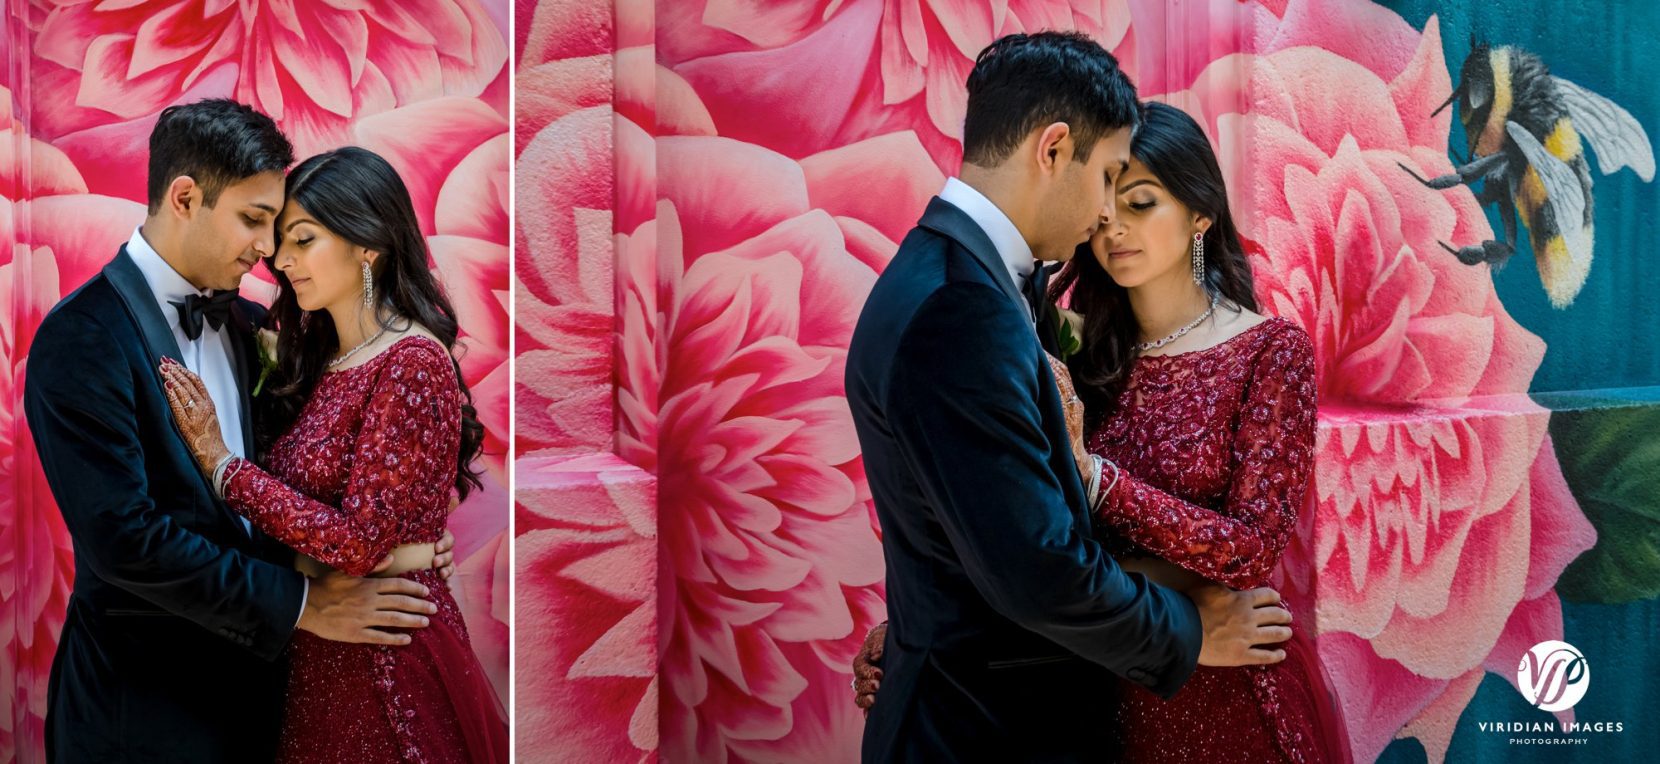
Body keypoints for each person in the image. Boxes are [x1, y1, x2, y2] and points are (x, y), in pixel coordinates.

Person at [844, 32, 1294, 763]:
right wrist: (1189, 630)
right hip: (982, 731)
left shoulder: (976, 282)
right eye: (1110, 173)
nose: (1108, 211)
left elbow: (982, 523)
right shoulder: (959, 307)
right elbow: (1037, 569)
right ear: (1053, 151)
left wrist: (926, 612)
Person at [26, 99, 452, 763]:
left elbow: (317, 478)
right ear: (186, 197)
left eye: (277, 226)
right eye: (254, 220)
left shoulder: (251, 328)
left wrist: (406, 542)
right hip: (142, 715)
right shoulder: (80, 337)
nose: (267, 251)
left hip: (267, 710)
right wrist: (302, 605)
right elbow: (124, 540)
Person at [161, 146, 508, 763]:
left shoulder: (411, 361)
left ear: (365, 243)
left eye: (302, 239)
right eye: (280, 241)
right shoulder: (327, 360)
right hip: (321, 645)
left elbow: (360, 543)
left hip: (381, 657)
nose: (281, 260)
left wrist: (222, 465)